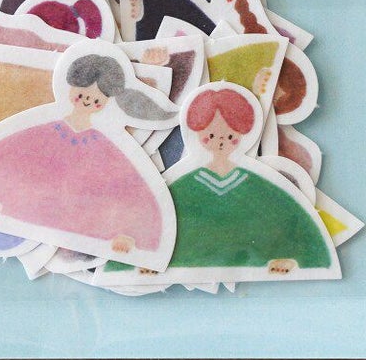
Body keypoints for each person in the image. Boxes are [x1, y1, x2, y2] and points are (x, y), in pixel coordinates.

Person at [0, 44, 178, 269]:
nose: (87, 101)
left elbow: (126, 191)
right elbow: (2, 162)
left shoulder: (109, 149)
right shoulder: (36, 132)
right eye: (82, 94)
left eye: (96, 100)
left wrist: (126, 236)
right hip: (22, 214)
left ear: (106, 103)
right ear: (70, 89)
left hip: (78, 228)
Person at [103, 84, 337, 282]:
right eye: (211, 135)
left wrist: (292, 258)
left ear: (242, 135)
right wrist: (132, 248)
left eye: (230, 136)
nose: (221, 142)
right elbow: (152, 222)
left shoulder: (262, 187)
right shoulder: (181, 186)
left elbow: (293, 224)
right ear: (197, 134)